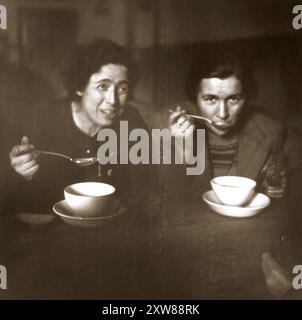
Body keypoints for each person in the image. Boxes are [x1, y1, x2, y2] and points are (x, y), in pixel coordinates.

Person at [8, 39, 157, 216]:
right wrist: (20, 173)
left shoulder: (131, 121)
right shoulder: (39, 120)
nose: (113, 100)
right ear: (80, 86)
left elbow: (149, 182)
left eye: (122, 89)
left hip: (111, 229)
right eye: (103, 86)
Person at [167, 53, 288, 199]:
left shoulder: (271, 131)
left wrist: (270, 189)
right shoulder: (167, 128)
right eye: (211, 99)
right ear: (195, 99)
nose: (223, 114)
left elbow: (276, 180)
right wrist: (184, 154)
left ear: (246, 97)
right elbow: (169, 199)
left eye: (233, 99)